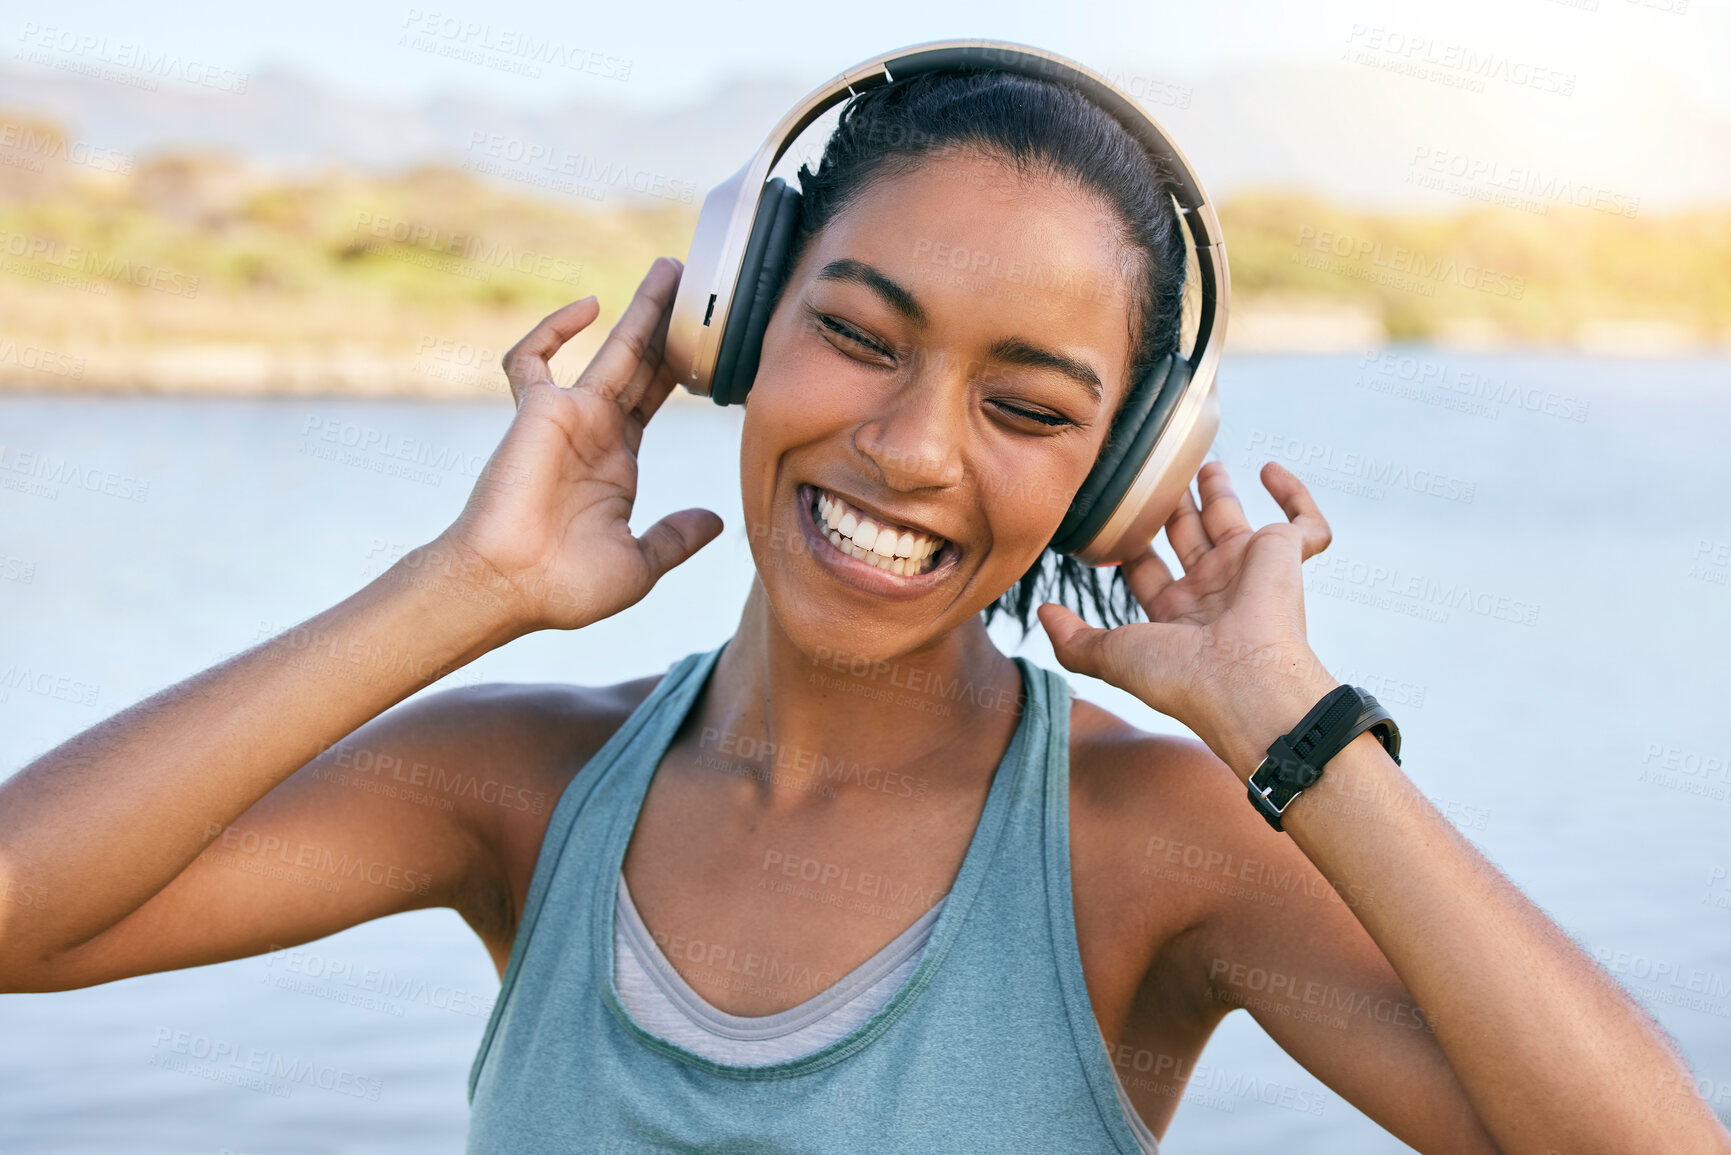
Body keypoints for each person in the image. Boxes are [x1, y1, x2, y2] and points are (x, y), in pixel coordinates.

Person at [0, 67, 1722, 1155]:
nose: (908, 450)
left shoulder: (1146, 842)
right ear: (734, 332)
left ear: (1114, 478)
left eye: (1030, 408)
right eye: (859, 335)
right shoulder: (525, 792)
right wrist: (468, 590)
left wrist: (1294, 730)